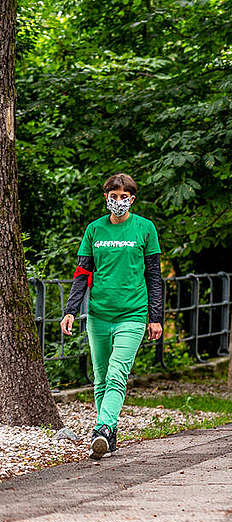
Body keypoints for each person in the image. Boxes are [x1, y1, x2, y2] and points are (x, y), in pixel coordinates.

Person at [60, 174, 163, 460]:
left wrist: (156, 317)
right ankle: (111, 434)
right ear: (106, 198)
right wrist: (70, 311)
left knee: (118, 372)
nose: (119, 201)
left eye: (124, 195)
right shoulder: (94, 230)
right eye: (114, 196)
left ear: (132, 198)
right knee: (101, 377)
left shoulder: (145, 228)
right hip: (98, 315)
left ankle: (102, 429)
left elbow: (154, 276)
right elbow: (82, 274)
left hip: (133, 313)